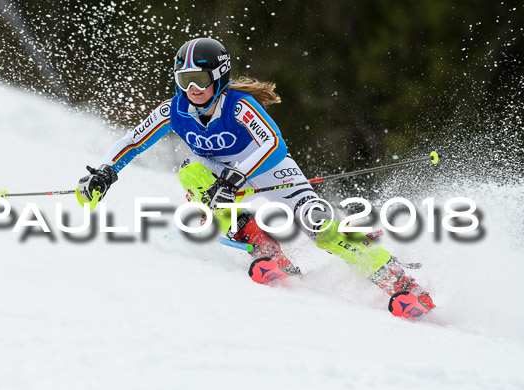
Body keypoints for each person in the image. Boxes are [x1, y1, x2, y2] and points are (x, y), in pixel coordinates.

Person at [78, 38, 434, 318]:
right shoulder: (174, 110)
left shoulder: (238, 105)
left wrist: (236, 176)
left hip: (267, 168)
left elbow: (272, 143)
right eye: (184, 80)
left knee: (319, 225)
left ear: (218, 77)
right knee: (191, 172)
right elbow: (133, 140)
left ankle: (403, 286)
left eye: (200, 80)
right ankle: (263, 246)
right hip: (218, 176)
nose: (192, 89)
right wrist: (107, 173)